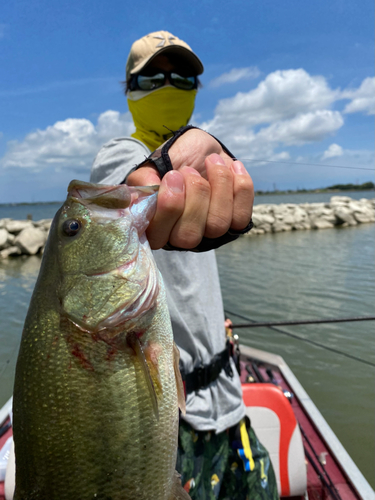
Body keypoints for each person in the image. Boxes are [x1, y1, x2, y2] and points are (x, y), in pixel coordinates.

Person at [91, 31, 278, 500]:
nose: (170, 86)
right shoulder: (118, 155)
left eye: (183, 78)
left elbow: (191, 277)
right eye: (153, 77)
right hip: (173, 419)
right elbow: (127, 187)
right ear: (129, 90)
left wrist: (218, 322)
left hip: (229, 399)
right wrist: (164, 174)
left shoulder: (202, 166)